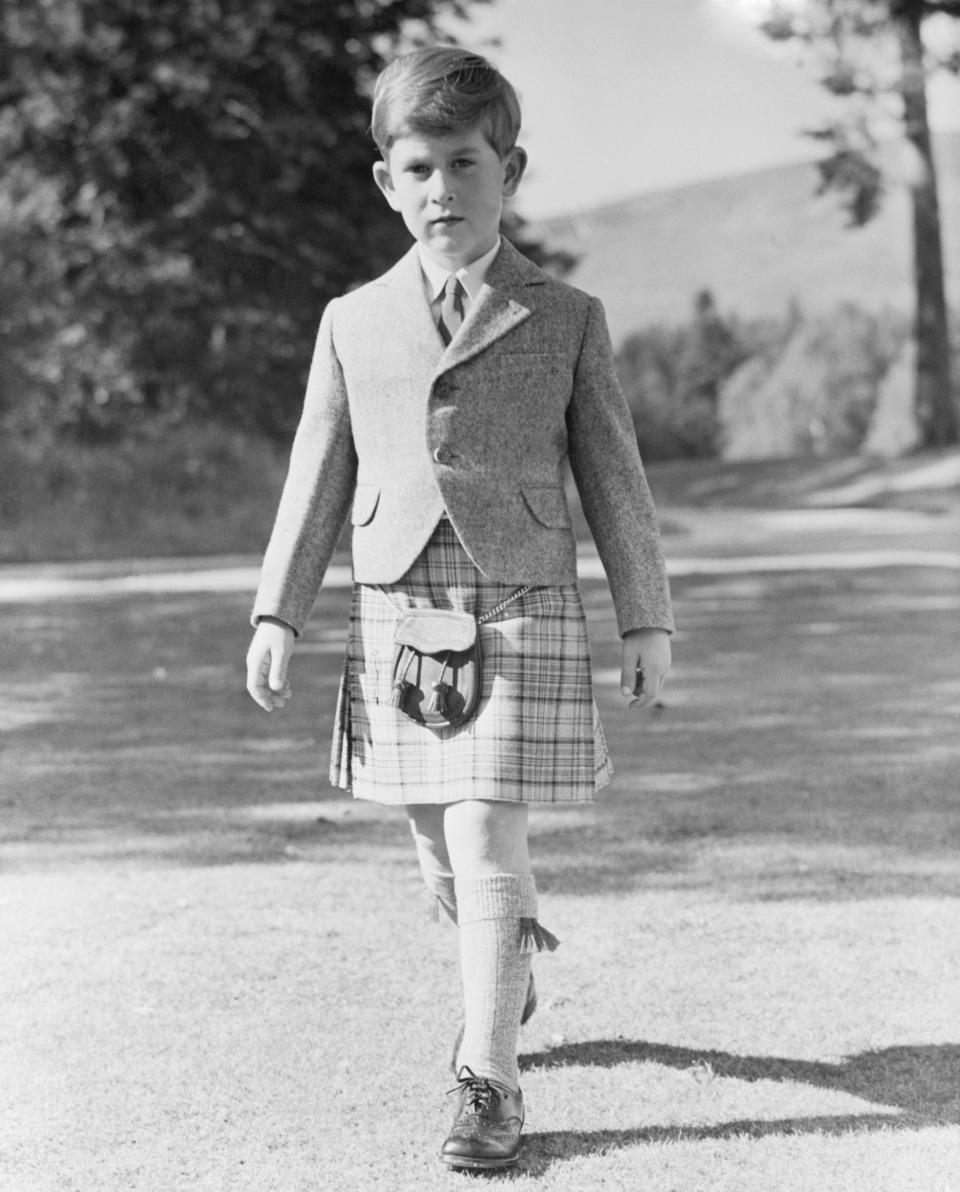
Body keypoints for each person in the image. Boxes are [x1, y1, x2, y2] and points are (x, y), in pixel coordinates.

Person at [245, 45, 673, 1172]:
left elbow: (614, 476)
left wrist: (647, 619)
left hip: (522, 590)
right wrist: (277, 611)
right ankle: (500, 951)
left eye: (466, 164)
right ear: (389, 181)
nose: (444, 190)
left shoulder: (566, 315)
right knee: (433, 828)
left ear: (510, 170)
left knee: (487, 817)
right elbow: (317, 472)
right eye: (420, 167)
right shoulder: (352, 321)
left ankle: (489, 1076)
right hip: (396, 592)